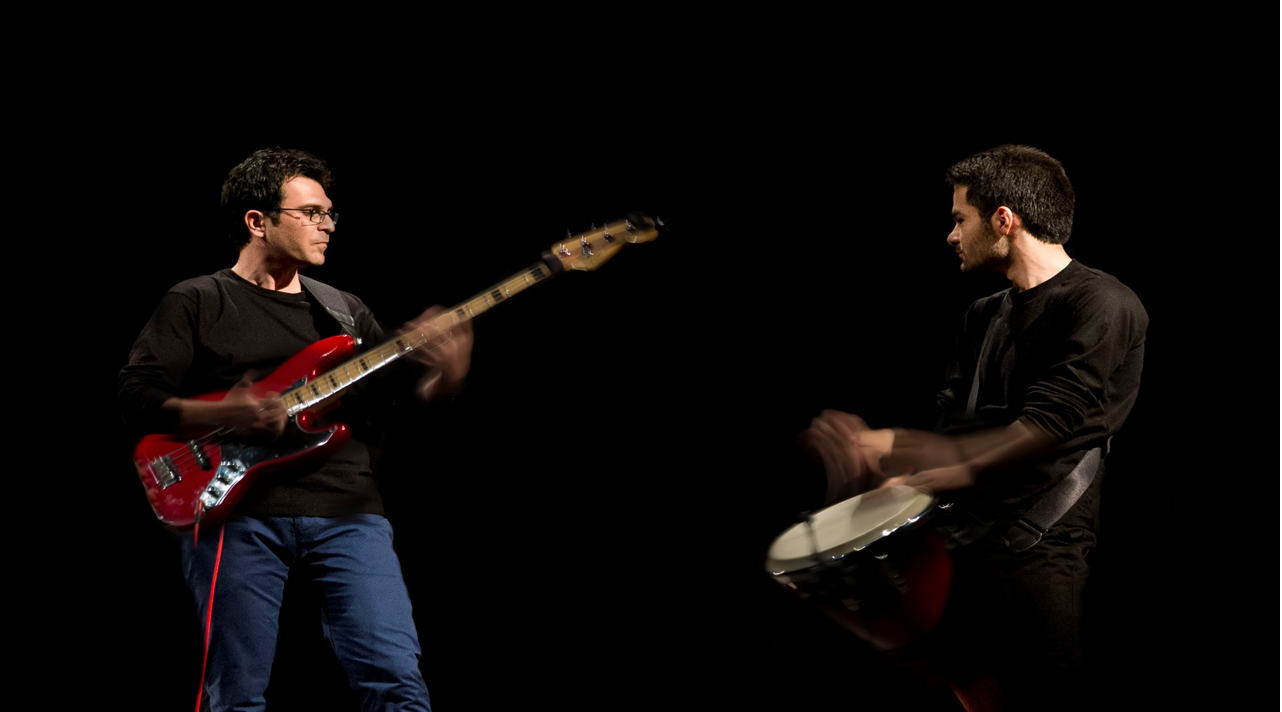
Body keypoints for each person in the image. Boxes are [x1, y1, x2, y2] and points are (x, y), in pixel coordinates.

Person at [118, 147, 471, 711]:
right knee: (236, 694)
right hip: (236, 509)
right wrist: (223, 412)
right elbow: (136, 396)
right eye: (310, 213)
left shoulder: (344, 310)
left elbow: (398, 405)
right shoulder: (199, 299)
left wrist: (446, 377)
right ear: (257, 221)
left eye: (329, 213)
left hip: (349, 513)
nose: (327, 224)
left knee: (396, 680)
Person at [799, 144, 1147, 711]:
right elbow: (955, 422)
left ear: (1003, 220)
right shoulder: (983, 314)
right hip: (966, 540)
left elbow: (1047, 426)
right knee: (970, 686)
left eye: (960, 219)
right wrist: (895, 462)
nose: (951, 234)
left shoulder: (1101, 303)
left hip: (1040, 550)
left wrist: (913, 458)